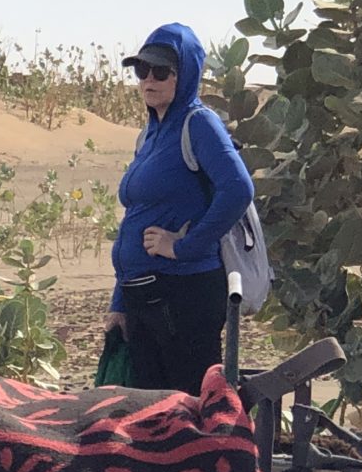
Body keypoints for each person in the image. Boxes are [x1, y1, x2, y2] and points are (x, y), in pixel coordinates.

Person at [107, 22, 254, 392]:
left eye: (161, 71)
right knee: (149, 418)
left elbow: (238, 188)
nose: (148, 80)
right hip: (144, 298)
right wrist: (120, 301)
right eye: (142, 70)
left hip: (184, 298)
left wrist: (183, 246)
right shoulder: (150, 134)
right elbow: (135, 218)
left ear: (184, 74)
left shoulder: (198, 123)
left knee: (187, 414)